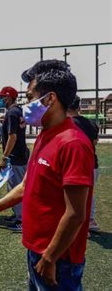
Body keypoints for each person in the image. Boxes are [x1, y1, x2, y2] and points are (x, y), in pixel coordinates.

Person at [0, 60, 94, 290]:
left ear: (50, 99)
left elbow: (75, 214)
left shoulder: (73, 143)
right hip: (38, 250)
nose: (26, 104)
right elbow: (26, 185)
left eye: (31, 97)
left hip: (58, 258)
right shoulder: (46, 135)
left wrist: (51, 257)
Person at [0, 86, 30, 232]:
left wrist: (4, 156)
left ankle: (22, 220)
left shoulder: (12, 112)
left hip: (15, 156)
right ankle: (18, 215)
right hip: (21, 154)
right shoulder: (18, 110)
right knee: (15, 186)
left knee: (16, 188)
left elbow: (12, 136)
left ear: (9, 97)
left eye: (2, 96)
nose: (0, 99)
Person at [67, 95, 100, 233]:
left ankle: (77, 227)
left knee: (72, 198)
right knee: (88, 194)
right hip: (93, 164)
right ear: (79, 107)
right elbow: (95, 142)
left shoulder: (67, 124)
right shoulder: (91, 123)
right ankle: (90, 220)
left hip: (77, 166)